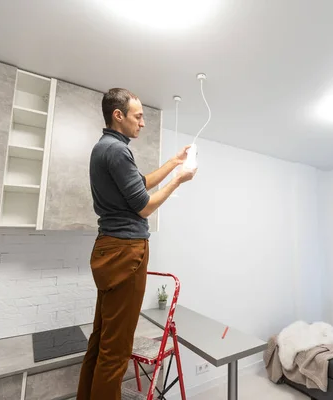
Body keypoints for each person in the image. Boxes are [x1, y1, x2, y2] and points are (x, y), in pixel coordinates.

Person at [76, 88, 196, 400]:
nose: (142, 123)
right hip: (125, 252)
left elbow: (139, 183)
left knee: (101, 338)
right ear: (119, 116)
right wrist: (179, 181)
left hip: (108, 248)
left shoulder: (106, 148)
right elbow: (144, 206)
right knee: (116, 352)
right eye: (138, 116)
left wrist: (173, 162)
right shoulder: (117, 151)